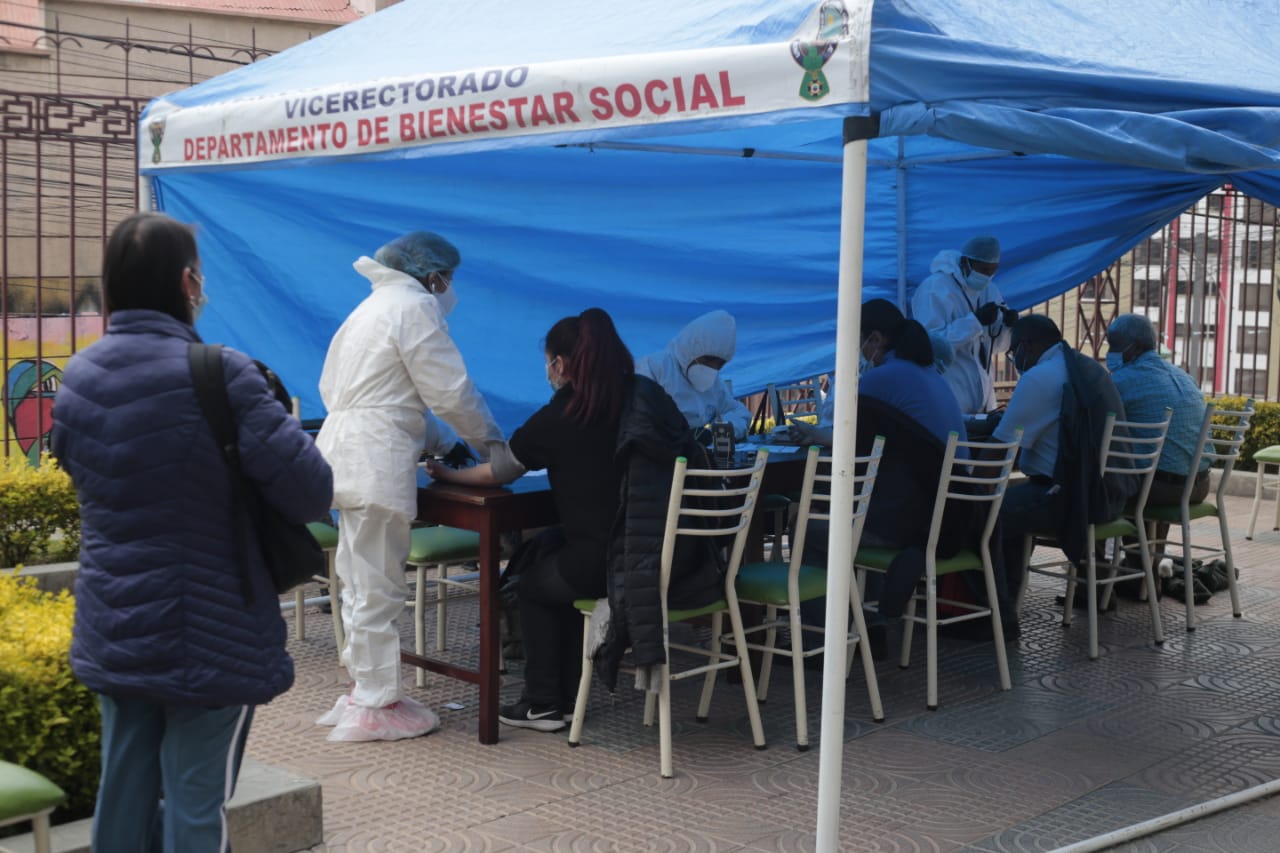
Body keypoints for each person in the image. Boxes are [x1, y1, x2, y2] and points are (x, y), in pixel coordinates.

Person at [51, 212, 334, 852]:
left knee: (121, 790)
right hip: (213, 630)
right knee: (195, 803)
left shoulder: (79, 379)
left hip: (116, 622)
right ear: (187, 282)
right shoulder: (222, 374)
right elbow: (311, 490)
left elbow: (84, 476)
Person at [428, 308, 721, 730]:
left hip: (618, 562)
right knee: (553, 565)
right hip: (684, 558)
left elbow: (500, 471)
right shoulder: (649, 396)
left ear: (560, 365)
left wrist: (449, 474)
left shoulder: (558, 418)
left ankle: (545, 703)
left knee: (533, 585)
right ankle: (559, 697)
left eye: (548, 363)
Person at [315, 230, 504, 742]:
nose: (450, 290)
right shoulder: (414, 307)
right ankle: (377, 704)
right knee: (378, 586)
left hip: (345, 454)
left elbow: (387, 396)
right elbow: (449, 390)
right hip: (374, 459)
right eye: (449, 279)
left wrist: (443, 442)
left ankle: (363, 689)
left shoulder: (369, 309)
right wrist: (491, 445)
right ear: (433, 274)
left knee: (358, 581)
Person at [791, 300, 970, 623]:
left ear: (874, 339)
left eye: (858, 340)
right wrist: (820, 436)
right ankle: (867, 632)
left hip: (919, 521)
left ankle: (818, 644)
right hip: (950, 518)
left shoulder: (883, 378)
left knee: (806, 527)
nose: (857, 350)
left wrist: (816, 435)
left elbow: (849, 435)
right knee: (861, 514)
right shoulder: (929, 374)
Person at [990, 315, 1134, 621]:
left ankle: (997, 609)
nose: (1015, 359)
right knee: (1009, 503)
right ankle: (1007, 600)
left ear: (1026, 345)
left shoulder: (1042, 376)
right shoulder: (1084, 365)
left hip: (1077, 499)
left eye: (1013, 351)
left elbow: (1001, 448)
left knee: (989, 513)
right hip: (1108, 492)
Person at [1106, 314, 1210, 507]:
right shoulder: (1184, 377)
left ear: (1135, 347)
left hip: (1159, 490)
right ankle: (1146, 538)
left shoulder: (1121, 381)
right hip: (1200, 485)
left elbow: (1097, 428)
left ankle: (1096, 537)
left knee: (1088, 486)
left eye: (1114, 345)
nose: (1110, 352)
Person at [911, 235, 1019, 414]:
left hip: (983, 398)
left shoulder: (990, 289)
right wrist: (975, 322)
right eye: (983, 270)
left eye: (992, 271)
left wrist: (1007, 326)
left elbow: (996, 345)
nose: (987, 277)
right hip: (950, 393)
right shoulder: (936, 289)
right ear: (965, 262)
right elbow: (931, 345)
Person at [636, 309, 752, 440]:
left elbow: (740, 414)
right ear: (691, 348)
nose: (711, 369)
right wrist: (676, 437)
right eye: (708, 360)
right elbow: (636, 421)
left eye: (719, 364)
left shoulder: (714, 385)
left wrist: (714, 432)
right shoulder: (653, 368)